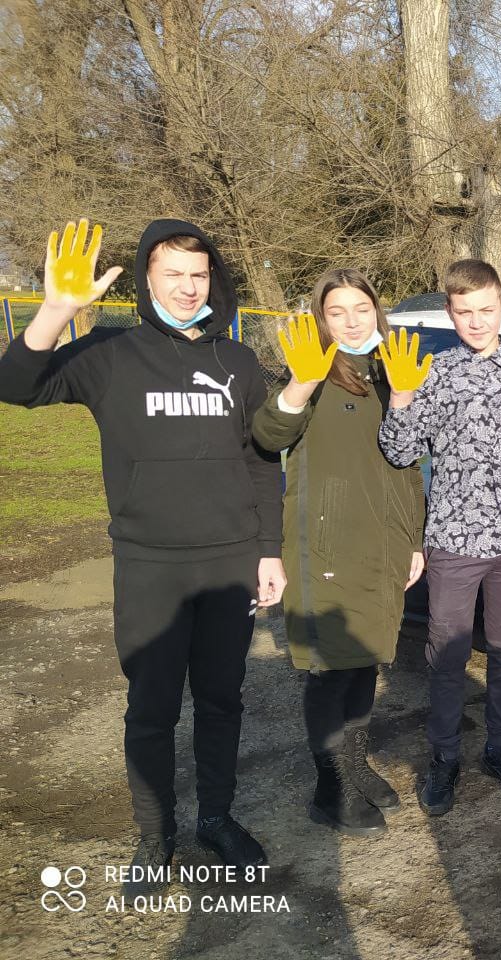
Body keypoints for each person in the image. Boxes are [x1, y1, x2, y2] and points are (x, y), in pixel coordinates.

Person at [0, 219, 286, 891]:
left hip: (229, 562)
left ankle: (216, 818)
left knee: (221, 701)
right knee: (152, 709)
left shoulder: (237, 362)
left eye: (198, 275)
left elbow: (261, 461)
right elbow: (15, 386)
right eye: (172, 275)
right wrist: (55, 313)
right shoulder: (110, 354)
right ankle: (155, 837)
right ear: (147, 280)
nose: (188, 288)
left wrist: (269, 552)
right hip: (150, 564)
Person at [251, 270, 426, 837]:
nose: (351, 321)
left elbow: (408, 465)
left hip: (384, 541)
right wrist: (300, 383)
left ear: (377, 312)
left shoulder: (391, 371)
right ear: (321, 319)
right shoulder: (312, 372)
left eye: (361, 309)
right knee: (330, 669)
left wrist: (414, 538)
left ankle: (354, 764)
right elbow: (268, 436)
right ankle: (331, 789)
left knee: (365, 659)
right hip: (325, 543)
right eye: (337, 311)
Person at [378, 258, 501, 816]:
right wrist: (400, 398)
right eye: (464, 312)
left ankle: (500, 748)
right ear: (450, 314)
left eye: (485, 309)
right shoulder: (435, 374)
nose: (476, 321)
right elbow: (401, 452)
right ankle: (445, 757)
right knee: (447, 656)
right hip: (454, 539)